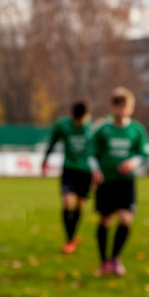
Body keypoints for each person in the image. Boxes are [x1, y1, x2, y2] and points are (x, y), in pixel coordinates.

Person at [90, 87, 148, 276]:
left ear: (131, 108)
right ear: (112, 107)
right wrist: (96, 170)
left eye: (125, 107)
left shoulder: (137, 130)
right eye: (118, 107)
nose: (121, 111)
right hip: (106, 181)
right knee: (105, 220)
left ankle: (115, 258)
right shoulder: (103, 129)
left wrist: (133, 162)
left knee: (125, 218)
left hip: (126, 182)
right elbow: (91, 153)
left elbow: (143, 153)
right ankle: (102, 261)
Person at [42, 101, 93, 254]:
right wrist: (45, 160)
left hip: (86, 171)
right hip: (69, 169)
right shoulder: (63, 126)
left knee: (80, 205)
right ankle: (69, 240)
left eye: (82, 120)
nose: (80, 123)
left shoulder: (93, 128)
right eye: (77, 120)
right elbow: (52, 142)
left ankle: (73, 234)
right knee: (67, 202)